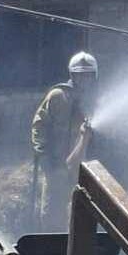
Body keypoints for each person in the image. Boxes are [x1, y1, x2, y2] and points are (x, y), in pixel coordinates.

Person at [31, 51, 97, 228]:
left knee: (84, 212)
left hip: (83, 167)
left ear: (94, 77)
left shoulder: (95, 100)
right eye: (80, 76)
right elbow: (39, 125)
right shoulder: (58, 96)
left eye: (88, 76)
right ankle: (53, 249)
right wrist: (43, 155)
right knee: (52, 212)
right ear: (72, 75)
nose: (84, 80)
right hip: (57, 164)